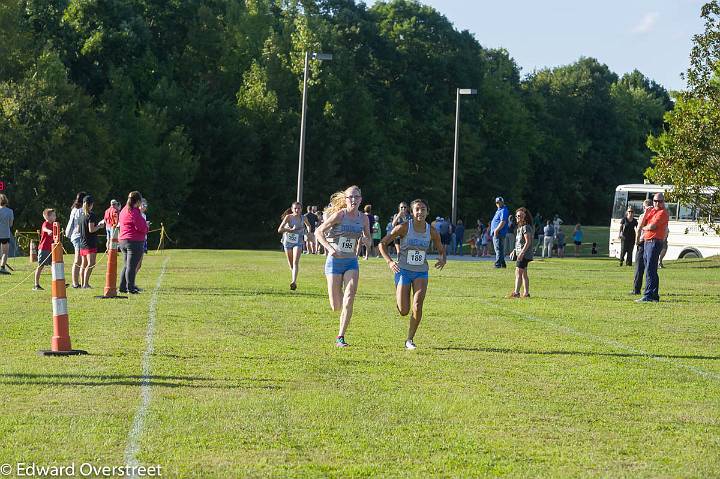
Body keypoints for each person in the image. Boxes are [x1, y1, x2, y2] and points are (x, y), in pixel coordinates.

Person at [378, 198, 446, 349]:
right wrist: (389, 261)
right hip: (403, 271)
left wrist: (443, 258)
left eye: (423, 209)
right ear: (412, 212)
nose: (420, 212)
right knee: (404, 310)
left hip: (421, 272)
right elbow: (382, 243)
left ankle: (410, 339)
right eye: (417, 209)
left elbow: (441, 249)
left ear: (427, 212)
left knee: (418, 304)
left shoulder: (432, 231)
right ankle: (399, 297)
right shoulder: (403, 228)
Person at [315, 186, 372, 348]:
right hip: (334, 262)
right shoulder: (340, 215)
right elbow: (319, 232)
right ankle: (337, 290)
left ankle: (340, 336)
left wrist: (367, 242)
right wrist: (330, 249)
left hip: (351, 262)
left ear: (361, 199)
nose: (353, 200)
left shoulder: (364, 219)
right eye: (350, 197)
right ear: (346, 200)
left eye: (356, 197)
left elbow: (368, 238)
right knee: (336, 306)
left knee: (349, 298)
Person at [635, 192, 669, 302]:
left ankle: (648, 295)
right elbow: (642, 223)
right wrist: (646, 212)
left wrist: (644, 228)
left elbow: (652, 226)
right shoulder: (652, 211)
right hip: (647, 241)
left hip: (654, 242)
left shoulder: (663, 213)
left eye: (660, 201)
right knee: (651, 268)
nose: (657, 203)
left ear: (663, 202)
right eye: (655, 201)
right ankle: (654, 295)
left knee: (650, 268)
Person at [118, 191, 148, 294]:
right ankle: (130, 288)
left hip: (123, 240)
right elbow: (140, 226)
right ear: (138, 201)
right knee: (131, 266)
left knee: (126, 265)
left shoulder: (123, 210)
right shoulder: (134, 211)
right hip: (134, 241)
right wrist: (146, 227)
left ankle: (122, 287)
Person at [278, 201, 311, 290]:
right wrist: (289, 230)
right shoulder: (288, 217)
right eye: (295, 208)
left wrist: (308, 233)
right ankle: (293, 275)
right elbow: (279, 230)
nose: (297, 210)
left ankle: (294, 281)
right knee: (291, 264)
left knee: (295, 262)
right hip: (287, 242)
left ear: (301, 209)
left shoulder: (303, 218)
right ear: (292, 209)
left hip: (298, 241)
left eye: (299, 208)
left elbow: (308, 225)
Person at [78, 195, 104, 288]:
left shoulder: (81, 215)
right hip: (90, 243)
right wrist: (100, 226)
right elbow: (91, 229)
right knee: (91, 264)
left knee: (83, 264)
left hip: (82, 243)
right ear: (91, 204)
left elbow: (78, 229)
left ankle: (83, 283)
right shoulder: (91, 215)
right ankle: (85, 284)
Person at [508, 207, 534, 298]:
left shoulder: (526, 227)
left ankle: (516, 293)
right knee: (523, 273)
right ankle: (526, 293)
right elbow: (520, 242)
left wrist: (522, 253)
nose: (518, 217)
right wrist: (514, 251)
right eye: (517, 216)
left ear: (525, 217)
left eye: (520, 216)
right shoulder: (520, 228)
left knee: (518, 272)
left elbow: (528, 241)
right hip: (520, 253)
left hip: (524, 254)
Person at [64, 191, 87, 287]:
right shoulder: (79, 210)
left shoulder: (74, 209)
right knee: (78, 260)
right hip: (77, 236)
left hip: (75, 236)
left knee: (81, 260)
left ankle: (78, 282)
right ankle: (75, 283)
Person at [631, 199, 653, 295]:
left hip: (642, 242)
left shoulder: (642, 216)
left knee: (639, 267)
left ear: (644, 207)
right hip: (651, 242)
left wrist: (637, 240)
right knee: (650, 268)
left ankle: (636, 289)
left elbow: (640, 229)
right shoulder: (655, 216)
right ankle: (649, 289)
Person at [33, 209, 56, 290]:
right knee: (40, 266)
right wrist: (49, 231)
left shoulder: (54, 224)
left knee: (54, 265)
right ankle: (36, 285)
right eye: (53, 215)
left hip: (51, 249)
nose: (55, 217)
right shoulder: (45, 223)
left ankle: (57, 282)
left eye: (55, 215)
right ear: (47, 217)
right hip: (43, 249)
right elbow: (44, 229)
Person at [491, 197, 510, 268]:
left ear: (503, 202)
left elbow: (503, 221)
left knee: (498, 249)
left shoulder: (504, 210)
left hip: (499, 233)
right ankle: (502, 264)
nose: (498, 204)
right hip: (498, 232)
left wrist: (496, 230)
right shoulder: (499, 210)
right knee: (500, 249)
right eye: (497, 202)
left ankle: (497, 264)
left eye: (499, 202)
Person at [0, 194, 13, 275]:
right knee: (5, 252)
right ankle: (2, 268)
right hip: (5, 233)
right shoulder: (10, 211)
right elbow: (10, 224)